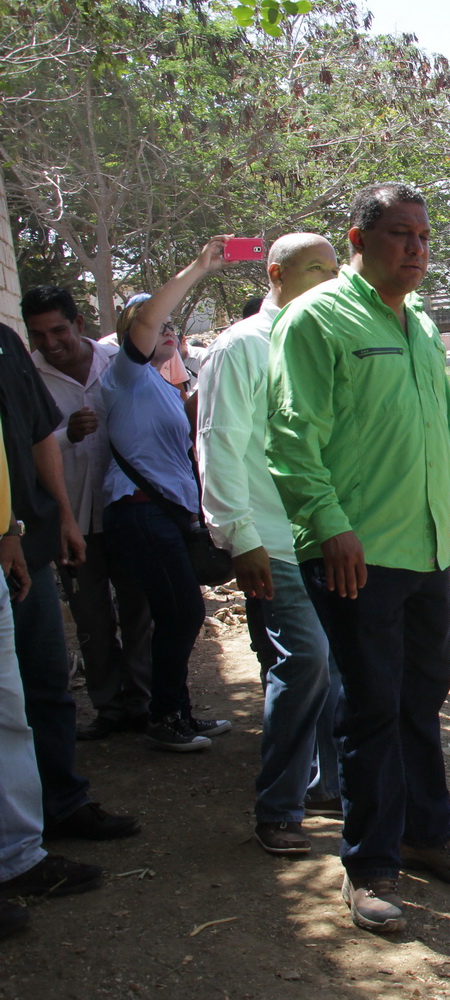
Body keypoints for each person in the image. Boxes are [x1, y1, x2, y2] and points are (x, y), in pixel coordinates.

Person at [266, 182, 450, 934]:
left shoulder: (423, 328)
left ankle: (427, 832)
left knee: (419, 700)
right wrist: (328, 525)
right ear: (358, 239)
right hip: (356, 556)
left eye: (423, 237)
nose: (415, 248)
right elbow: (290, 438)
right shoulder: (316, 320)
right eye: (400, 234)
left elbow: (444, 432)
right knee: (370, 706)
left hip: (427, 549)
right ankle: (369, 866)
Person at [197, 234, 344, 857]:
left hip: (326, 536)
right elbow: (220, 444)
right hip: (270, 538)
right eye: (317, 270)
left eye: (336, 271)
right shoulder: (240, 348)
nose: (331, 282)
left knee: (337, 666)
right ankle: (277, 807)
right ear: (276, 274)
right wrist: (238, 536)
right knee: (304, 659)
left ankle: (329, 787)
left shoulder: (327, 342)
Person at [0, 319, 139, 840]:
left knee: (45, 684)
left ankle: (61, 801)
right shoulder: (24, 353)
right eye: (42, 334)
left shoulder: (6, 344)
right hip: (15, 540)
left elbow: (35, 436)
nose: (49, 342)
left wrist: (57, 516)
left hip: (32, 542)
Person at [100, 238, 233, 752]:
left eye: (174, 328)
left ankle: (178, 712)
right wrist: (198, 267)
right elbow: (149, 319)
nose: (169, 331)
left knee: (178, 613)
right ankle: (163, 716)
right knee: (182, 614)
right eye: (159, 326)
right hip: (140, 514)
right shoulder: (126, 375)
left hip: (163, 516)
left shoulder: (159, 383)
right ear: (134, 334)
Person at [21, 287, 153, 741]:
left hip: (126, 511)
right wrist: (63, 436)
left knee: (138, 609)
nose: (50, 342)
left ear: (78, 324)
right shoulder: (28, 377)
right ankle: (108, 706)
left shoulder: (116, 360)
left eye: (58, 330)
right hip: (71, 518)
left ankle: (143, 701)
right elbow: (23, 449)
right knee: (93, 617)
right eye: (38, 335)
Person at [0, 424, 105, 938]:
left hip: (10, 545)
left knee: (17, 710)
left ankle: (20, 854)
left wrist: (11, 533)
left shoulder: (5, 347)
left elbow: (30, 438)